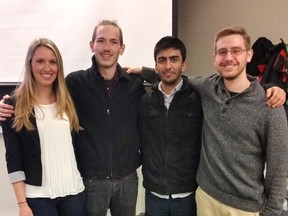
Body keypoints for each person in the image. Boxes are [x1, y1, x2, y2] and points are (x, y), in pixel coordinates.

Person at [0, 20, 146, 216]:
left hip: (105, 183)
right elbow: (14, 156)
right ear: (91, 45)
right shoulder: (75, 84)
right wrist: (5, 105)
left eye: (113, 41)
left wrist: (146, 71)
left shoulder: (134, 84)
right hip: (80, 184)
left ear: (122, 48)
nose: (107, 47)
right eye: (101, 40)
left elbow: (169, 82)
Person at [188, 27, 288, 216]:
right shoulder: (208, 87)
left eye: (236, 51)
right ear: (214, 58)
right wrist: (145, 71)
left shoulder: (270, 104)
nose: (228, 57)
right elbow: (180, 78)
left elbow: (279, 167)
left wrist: (273, 212)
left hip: (245, 208)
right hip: (205, 198)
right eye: (222, 52)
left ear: (249, 55)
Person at [1, 38, 85, 216]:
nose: (47, 68)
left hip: (74, 194)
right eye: (40, 61)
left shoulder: (69, 100)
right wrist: (22, 204)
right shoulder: (14, 106)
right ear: (30, 63)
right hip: (37, 198)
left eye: (53, 62)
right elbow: (13, 159)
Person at [138, 36, 202, 216]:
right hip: (154, 192)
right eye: (162, 60)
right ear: (155, 66)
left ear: (184, 64)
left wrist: (272, 86)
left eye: (174, 59)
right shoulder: (145, 101)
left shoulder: (197, 99)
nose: (168, 66)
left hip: (187, 193)